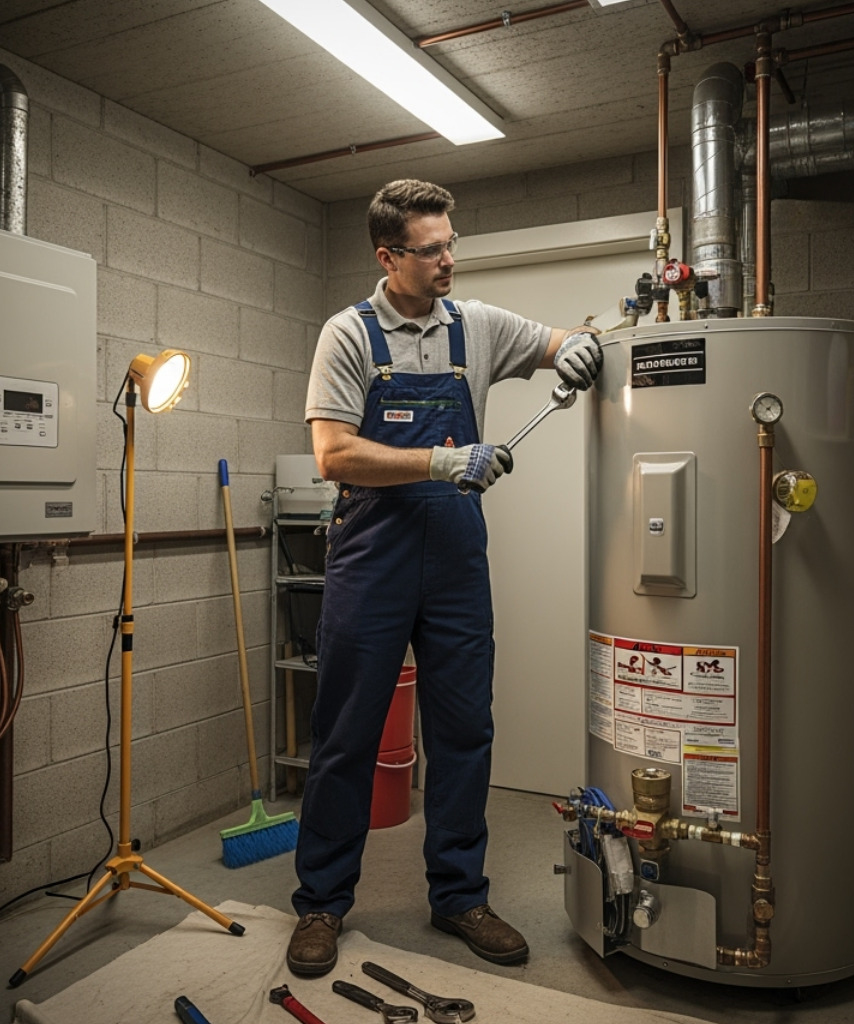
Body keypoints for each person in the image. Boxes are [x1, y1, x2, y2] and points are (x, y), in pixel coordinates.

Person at [287, 179, 603, 977]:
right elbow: (333, 454)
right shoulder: (347, 334)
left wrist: (577, 345)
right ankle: (323, 903)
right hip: (372, 549)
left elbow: (557, 340)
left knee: (464, 730)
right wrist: (441, 458)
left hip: (457, 555)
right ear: (388, 257)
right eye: (431, 250)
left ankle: (459, 895)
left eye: (451, 243)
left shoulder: (479, 325)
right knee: (347, 733)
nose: (448, 261)